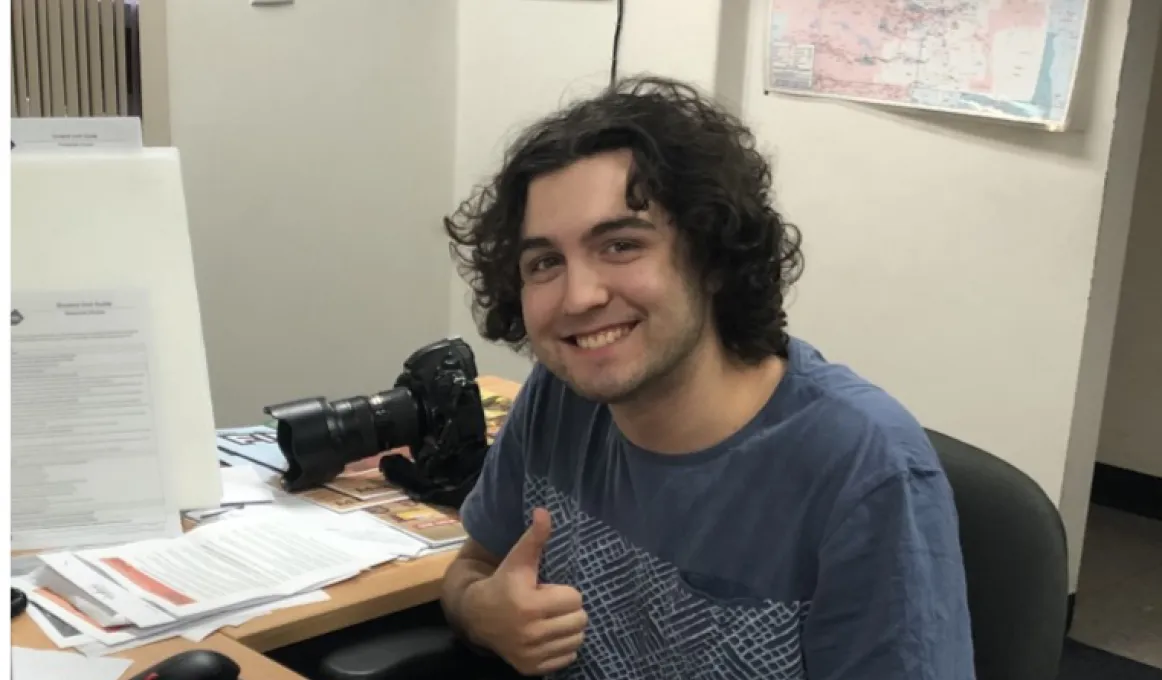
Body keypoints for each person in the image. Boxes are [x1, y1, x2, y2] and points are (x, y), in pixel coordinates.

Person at [438, 76, 975, 679]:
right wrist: (485, 613)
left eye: (620, 245)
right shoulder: (561, 396)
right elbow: (472, 570)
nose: (579, 296)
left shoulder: (863, 468)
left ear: (713, 258)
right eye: (545, 263)